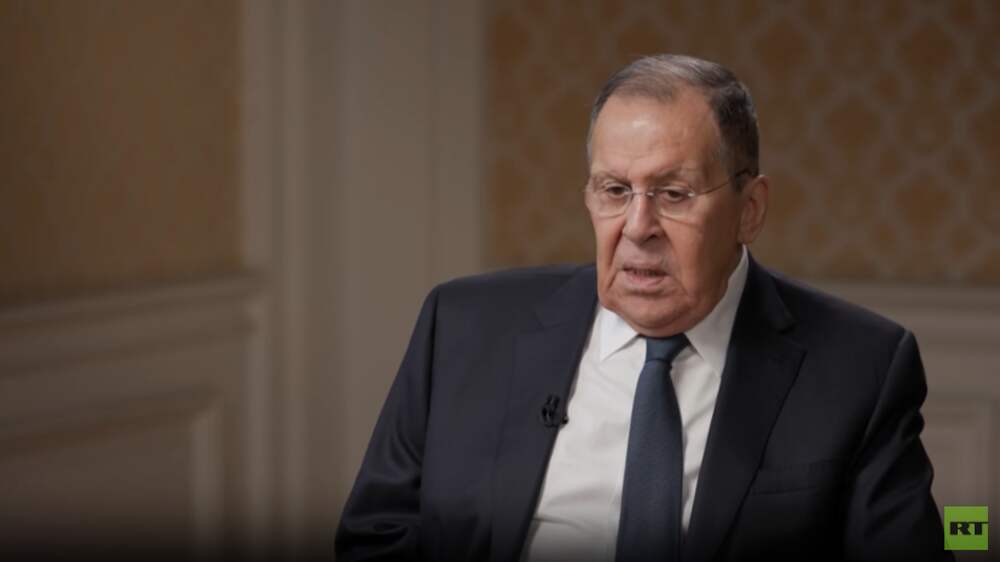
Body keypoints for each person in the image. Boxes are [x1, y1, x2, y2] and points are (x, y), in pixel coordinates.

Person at [335, 54, 951, 561]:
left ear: (749, 210)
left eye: (673, 194)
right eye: (614, 190)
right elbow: (376, 535)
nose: (637, 227)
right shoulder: (463, 327)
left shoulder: (860, 367)